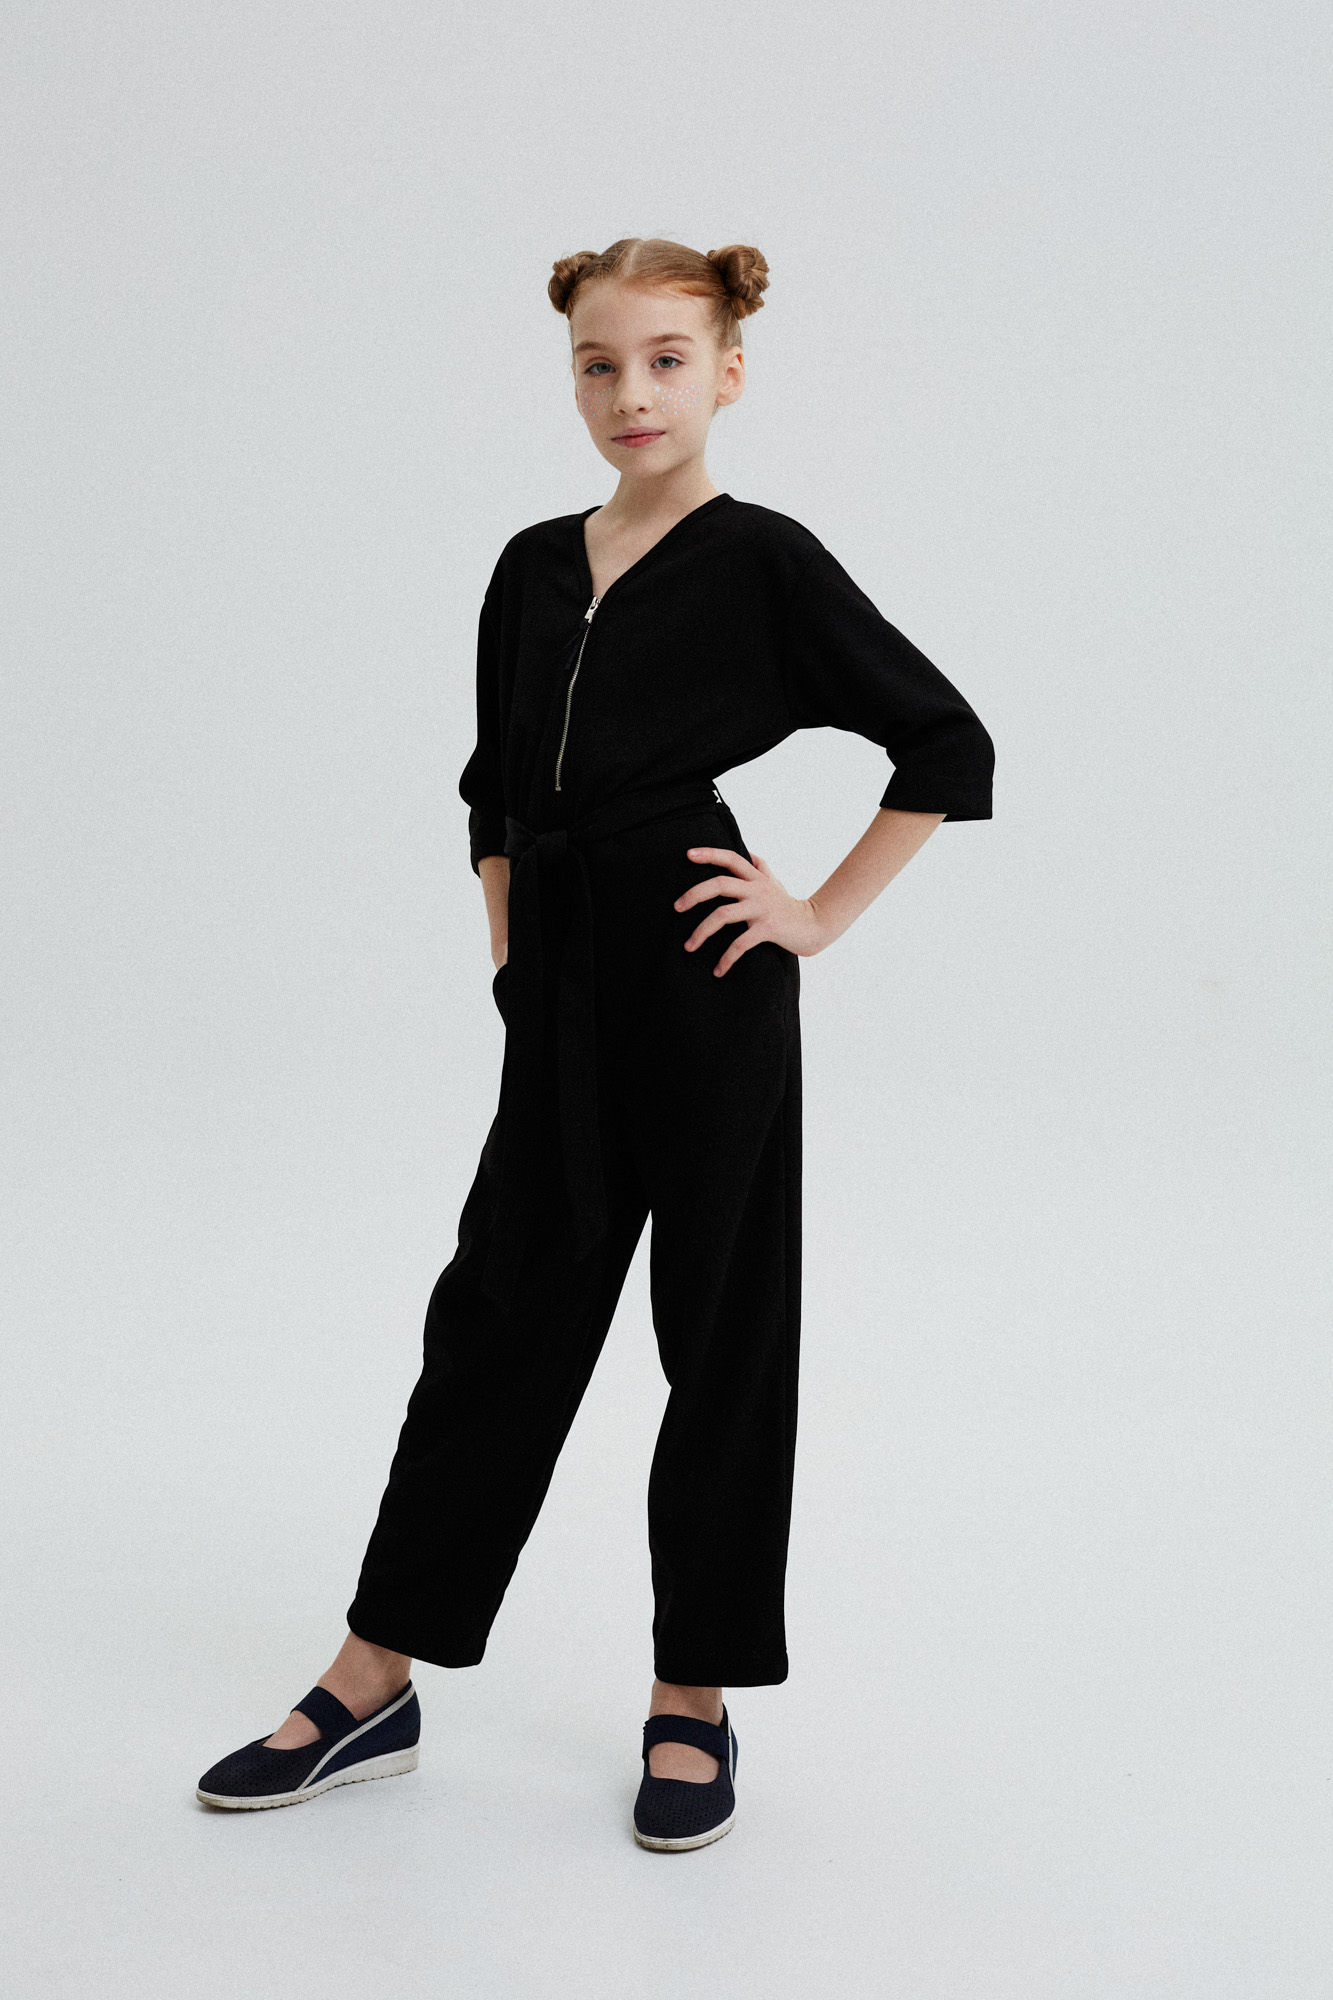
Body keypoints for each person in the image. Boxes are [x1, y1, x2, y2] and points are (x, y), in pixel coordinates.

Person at [196, 237, 994, 1851]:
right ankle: (375, 1674)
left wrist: (813, 914)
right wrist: (512, 951)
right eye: (599, 363)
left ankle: (692, 1694)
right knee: (496, 1317)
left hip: (704, 986)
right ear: (571, 376)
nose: (632, 392)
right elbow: (493, 787)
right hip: (558, 992)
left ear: (728, 372)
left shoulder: (762, 560)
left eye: (666, 360)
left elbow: (942, 740)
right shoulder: (527, 566)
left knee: (719, 1332)